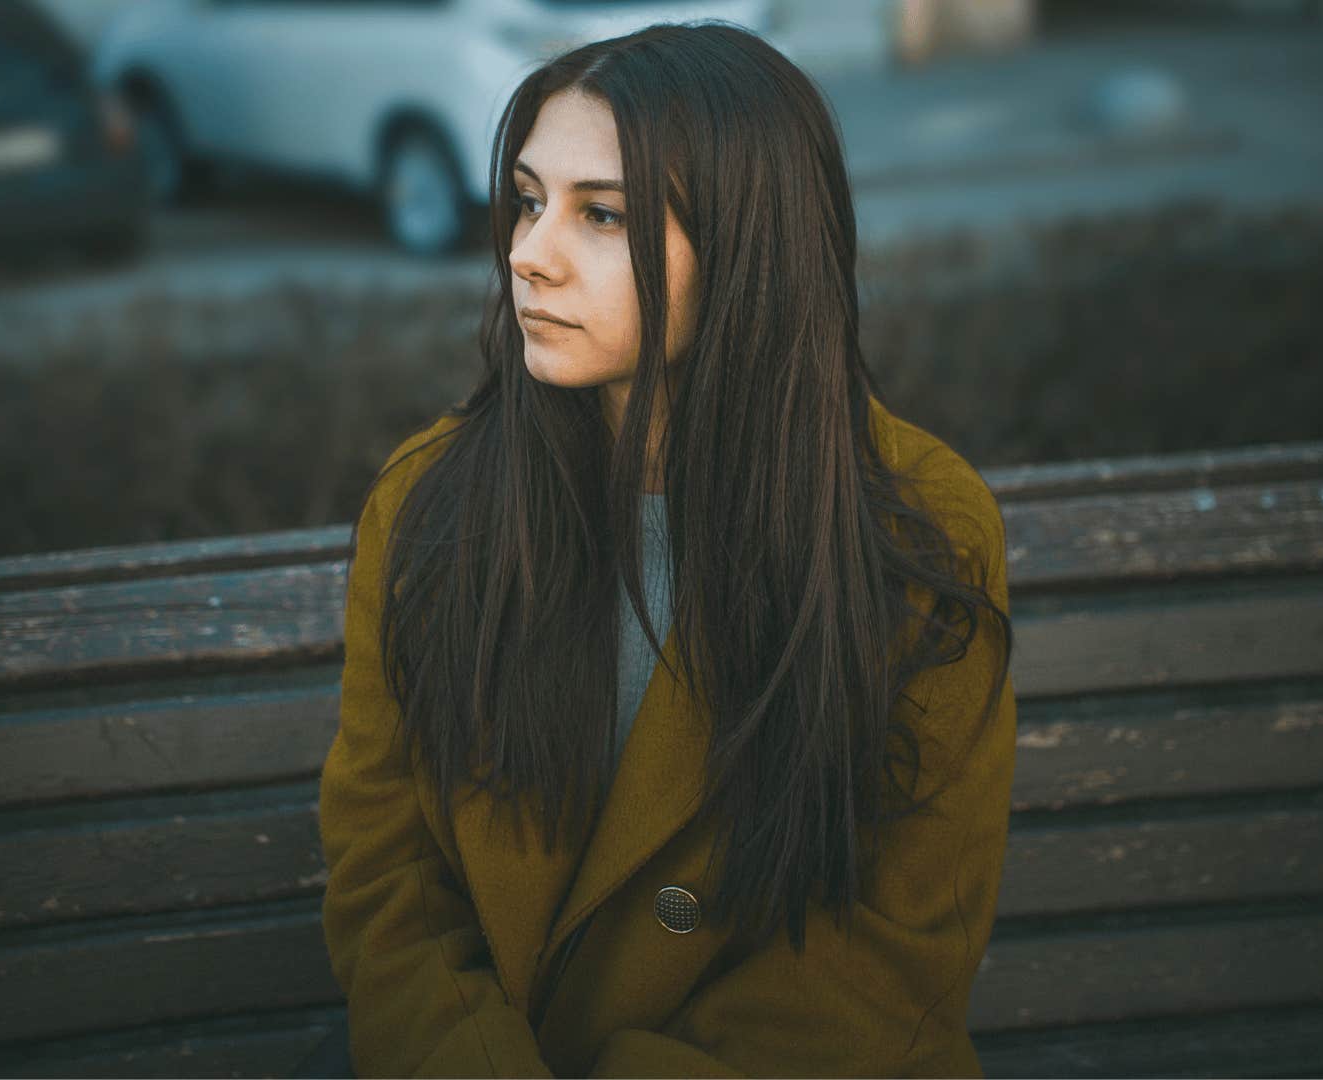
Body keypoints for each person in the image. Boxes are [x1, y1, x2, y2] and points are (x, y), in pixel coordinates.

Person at [318, 21, 1016, 1078]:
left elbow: (889, 949)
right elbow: (388, 871)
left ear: (750, 247)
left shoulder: (911, 527)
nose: (527, 251)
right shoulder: (434, 502)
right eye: (525, 197)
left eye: (601, 214)